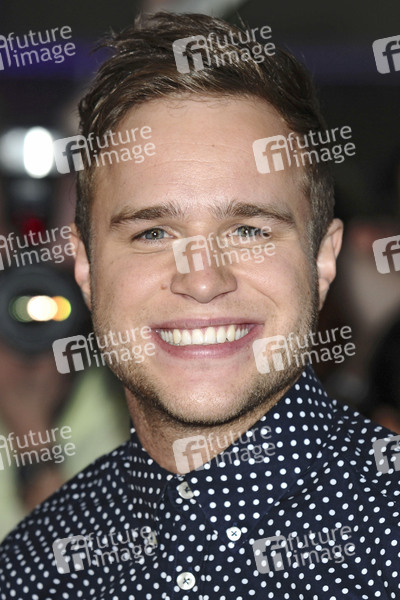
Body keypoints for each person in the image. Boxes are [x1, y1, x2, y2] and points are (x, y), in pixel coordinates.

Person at [1, 11, 400, 599]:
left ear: (323, 260)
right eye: (153, 233)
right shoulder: (32, 568)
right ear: (85, 268)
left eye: (249, 230)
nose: (203, 280)